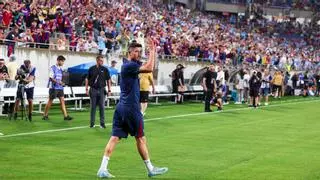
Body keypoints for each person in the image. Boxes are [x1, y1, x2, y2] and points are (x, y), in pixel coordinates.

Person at [96, 39, 168, 178]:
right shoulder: (129, 66)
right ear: (129, 52)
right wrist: (153, 51)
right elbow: (149, 67)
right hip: (131, 109)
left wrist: (149, 53)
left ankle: (102, 169)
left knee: (114, 138)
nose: (138, 53)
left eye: (140, 51)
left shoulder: (130, 65)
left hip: (121, 107)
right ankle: (150, 169)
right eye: (136, 51)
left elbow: (145, 65)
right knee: (140, 139)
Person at [42, 55, 73, 121]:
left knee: (62, 101)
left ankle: (65, 116)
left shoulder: (61, 69)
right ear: (58, 60)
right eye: (62, 61)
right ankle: (45, 115)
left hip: (60, 88)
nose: (63, 63)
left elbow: (60, 79)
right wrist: (59, 82)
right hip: (54, 87)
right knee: (50, 101)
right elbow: (51, 78)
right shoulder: (52, 68)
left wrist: (63, 83)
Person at [85, 55, 112, 128]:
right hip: (93, 89)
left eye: (103, 61)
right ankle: (92, 123)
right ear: (97, 60)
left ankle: (102, 124)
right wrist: (86, 89)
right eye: (101, 60)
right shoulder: (91, 69)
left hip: (102, 89)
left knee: (102, 107)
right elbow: (87, 79)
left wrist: (109, 90)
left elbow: (108, 80)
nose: (102, 62)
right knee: (93, 107)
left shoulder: (105, 69)